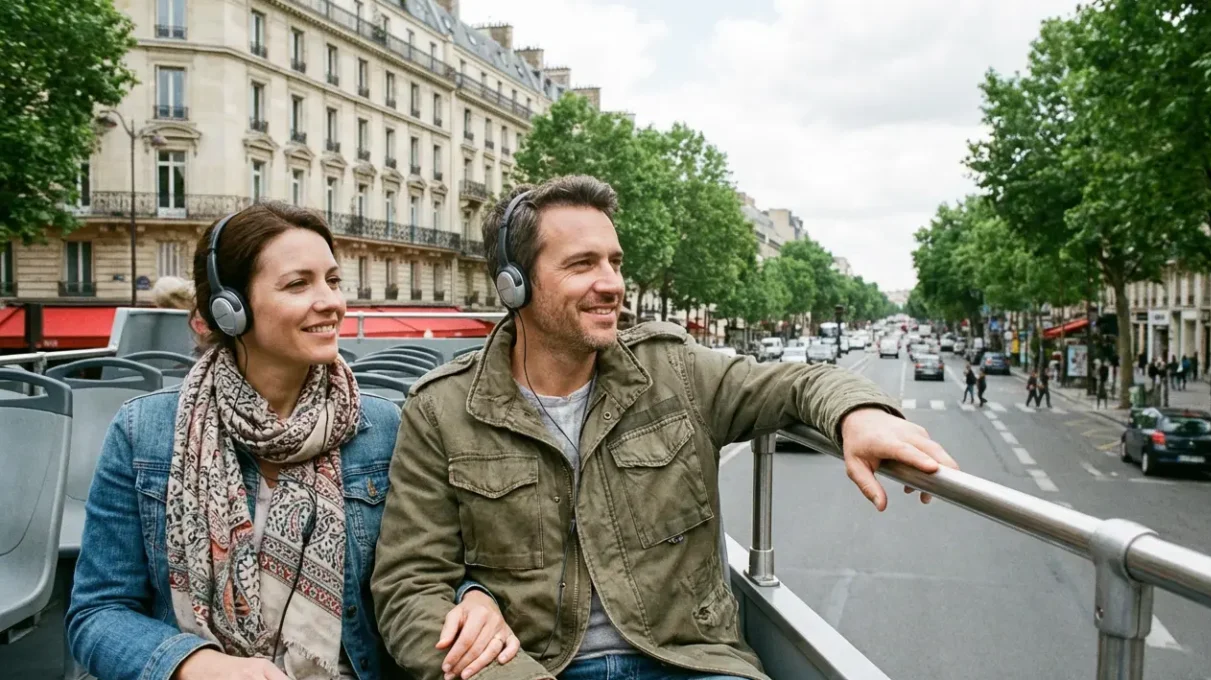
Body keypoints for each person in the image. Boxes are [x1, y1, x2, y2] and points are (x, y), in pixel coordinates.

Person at [370, 176, 959, 680]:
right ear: (513, 285)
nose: (611, 283)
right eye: (582, 265)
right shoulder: (441, 410)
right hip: (538, 669)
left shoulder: (673, 369)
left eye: (614, 262)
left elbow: (796, 384)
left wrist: (860, 414)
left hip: (693, 663)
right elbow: (409, 587)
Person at [65, 204, 513, 680]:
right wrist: (195, 664)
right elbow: (97, 614)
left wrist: (474, 597)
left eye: (333, 281)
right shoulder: (145, 431)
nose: (331, 302)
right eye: (298, 284)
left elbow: (429, 570)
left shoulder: (382, 426)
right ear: (229, 309)